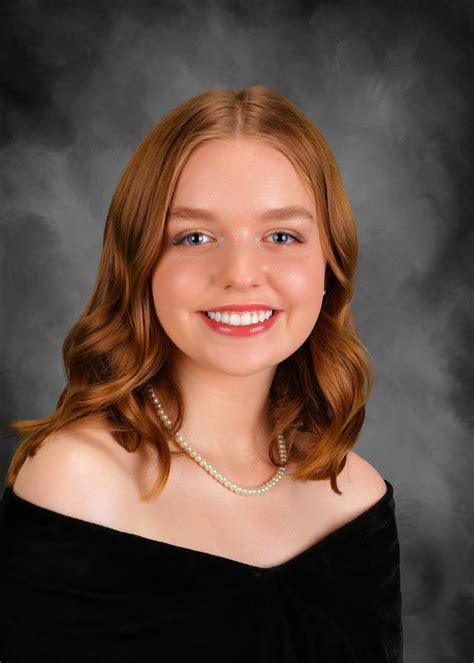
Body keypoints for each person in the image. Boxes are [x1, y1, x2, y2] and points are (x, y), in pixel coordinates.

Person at [0, 85, 403, 661]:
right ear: (140, 263)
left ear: (329, 265)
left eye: (281, 236)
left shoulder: (356, 498)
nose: (240, 273)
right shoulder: (77, 481)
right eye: (194, 236)